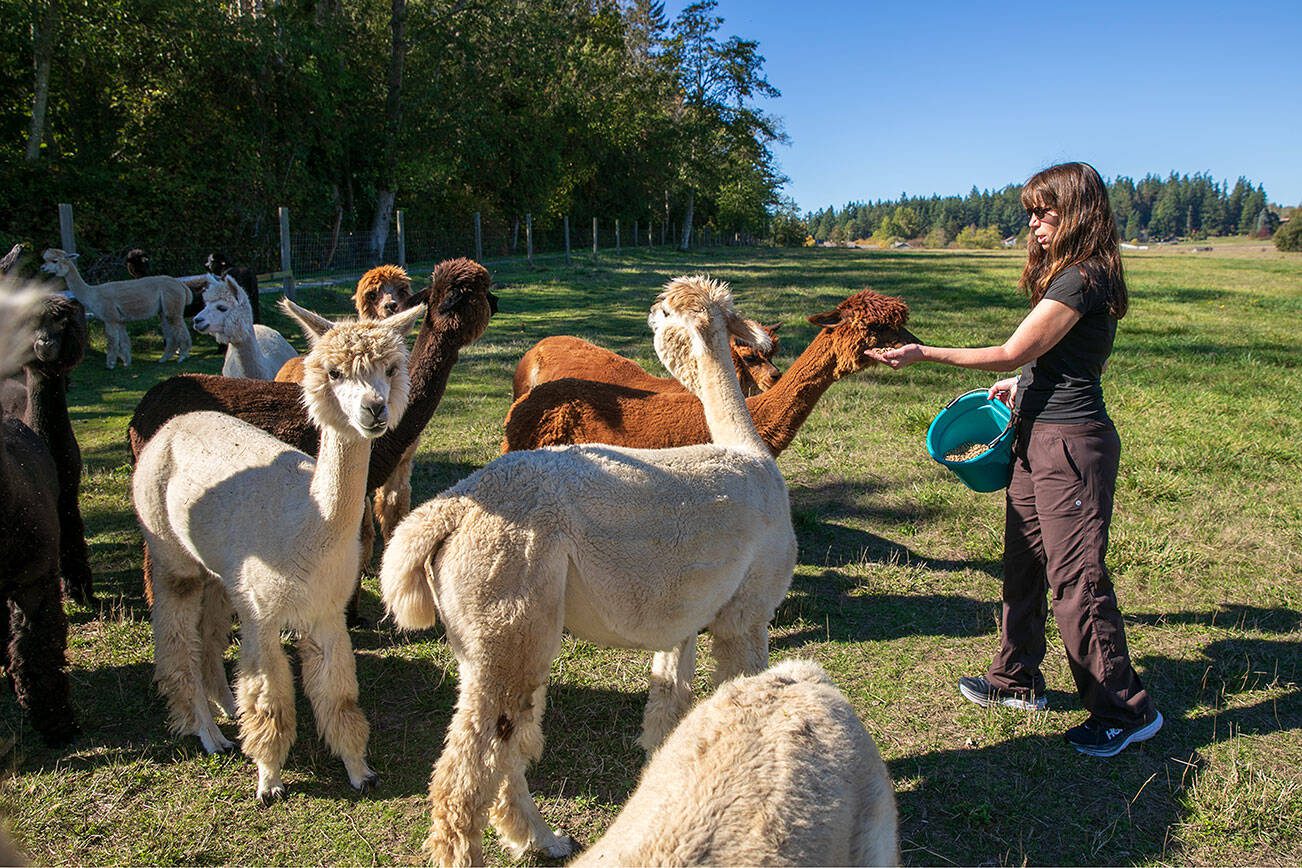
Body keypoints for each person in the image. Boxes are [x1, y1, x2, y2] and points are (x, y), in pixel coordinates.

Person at [868, 161, 1161, 757]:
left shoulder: (1083, 277)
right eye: (1030, 212)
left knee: (1075, 579)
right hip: (1036, 434)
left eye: (1044, 212)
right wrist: (1025, 384)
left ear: (1076, 210)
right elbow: (1049, 357)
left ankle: (1126, 711)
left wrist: (926, 353)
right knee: (1023, 563)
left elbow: (1012, 349)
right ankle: (1016, 680)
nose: (1034, 225)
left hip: (1070, 446)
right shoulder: (1071, 276)